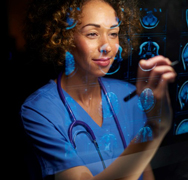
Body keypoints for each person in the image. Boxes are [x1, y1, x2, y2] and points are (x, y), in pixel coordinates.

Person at [21, 0, 176, 179]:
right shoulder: (39, 111)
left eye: (113, 33)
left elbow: (144, 171)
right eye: (92, 33)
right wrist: (155, 128)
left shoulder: (129, 94)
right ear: (64, 37)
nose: (107, 46)